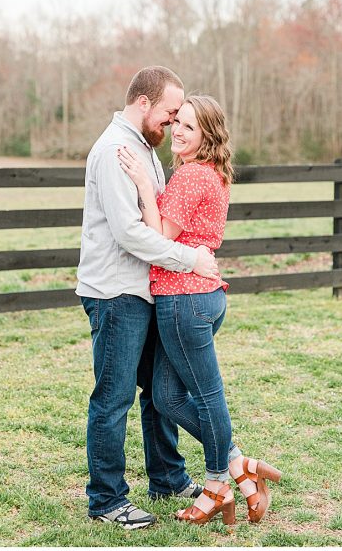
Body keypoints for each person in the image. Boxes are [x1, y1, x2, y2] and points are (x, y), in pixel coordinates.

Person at [116, 93, 281, 527]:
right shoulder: (211, 174)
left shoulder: (191, 178)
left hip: (184, 300)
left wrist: (142, 186)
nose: (178, 132)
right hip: (197, 298)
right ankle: (238, 464)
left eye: (189, 127)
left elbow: (161, 238)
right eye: (178, 123)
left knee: (207, 397)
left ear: (207, 135)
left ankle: (216, 483)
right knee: (168, 396)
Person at [77, 66, 221, 529]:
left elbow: (157, 212)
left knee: (158, 395)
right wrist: (189, 259)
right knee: (113, 396)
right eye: (170, 113)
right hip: (117, 292)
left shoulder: (145, 147)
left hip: (146, 291)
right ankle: (106, 500)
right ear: (144, 104)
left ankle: (168, 477)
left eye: (181, 117)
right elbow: (130, 233)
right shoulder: (115, 150)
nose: (173, 122)